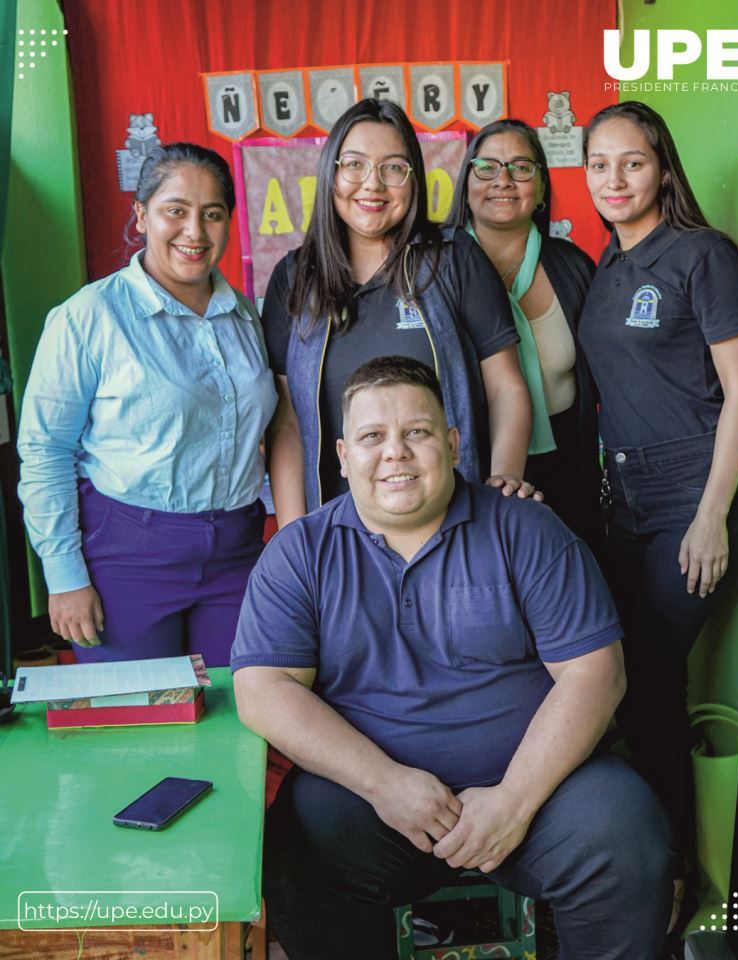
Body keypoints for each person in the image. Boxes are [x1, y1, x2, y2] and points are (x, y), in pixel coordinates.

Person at [232, 356, 675, 960]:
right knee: (300, 848)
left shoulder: (527, 530)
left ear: (452, 442)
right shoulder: (300, 553)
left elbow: (596, 673)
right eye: (372, 436)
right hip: (374, 802)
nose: (395, 452)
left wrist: (513, 802)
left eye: (416, 431)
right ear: (342, 455)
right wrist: (385, 784)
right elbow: (264, 689)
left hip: (537, 790)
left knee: (627, 836)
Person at [579, 102, 738, 920]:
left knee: (646, 681)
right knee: (619, 680)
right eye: (599, 164)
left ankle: (672, 878)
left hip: (692, 494)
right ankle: (642, 864)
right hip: (622, 501)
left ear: (662, 168)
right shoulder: (606, 264)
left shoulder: (702, 254)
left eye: (633, 162)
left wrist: (712, 513)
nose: (614, 179)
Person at [17, 143, 278, 666]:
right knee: (140, 709)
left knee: (243, 701)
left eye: (212, 214)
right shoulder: (89, 316)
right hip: (125, 556)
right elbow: (45, 450)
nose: (194, 232)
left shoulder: (245, 315)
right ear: (141, 215)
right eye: (175, 211)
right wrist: (63, 574)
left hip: (237, 550)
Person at [261, 98, 534, 525]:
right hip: (337, 532)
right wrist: (295, 539)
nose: (372, 184)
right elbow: (288, 423)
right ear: (331, 173)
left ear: (413, 178)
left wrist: (501, 490)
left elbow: (507, 388)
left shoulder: (452, 258)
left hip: (452, 525)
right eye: (354, 165)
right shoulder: (295, 277)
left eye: (393, 167)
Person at [447, 119, 601, 543]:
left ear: (542, 187)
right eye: (487, 167)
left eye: (521, 167)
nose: (503, 180)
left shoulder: (574, 267)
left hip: (569, 466)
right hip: (470, 467)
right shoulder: (436, 269)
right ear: (466, 183)